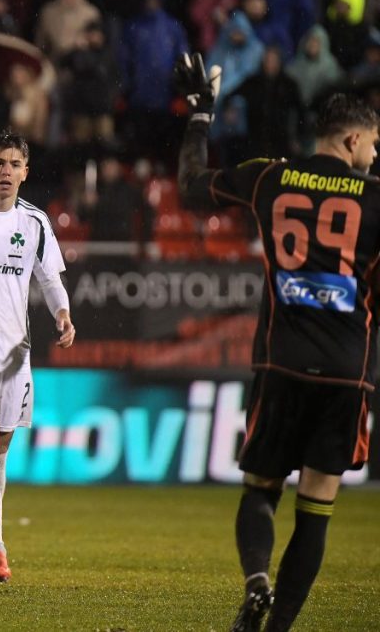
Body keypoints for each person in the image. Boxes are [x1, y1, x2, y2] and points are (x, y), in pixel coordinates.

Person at [176, 57, 378, 632]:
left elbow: (193, 186)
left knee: (261, 489)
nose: (374, 156)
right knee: (316, 509)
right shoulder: (377, 198)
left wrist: (199, 117)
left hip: (280, 361)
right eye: (374, 146)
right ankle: (280, 625)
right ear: (354, 138)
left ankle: (256, 581)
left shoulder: (271, 176)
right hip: (346, 371)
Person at [0, 129, 75, 584]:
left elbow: (50, 280)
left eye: (14, 164)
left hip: (15, 355)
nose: (6, 171)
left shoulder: (35, 223)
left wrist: (63, 314)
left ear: (26, 173)